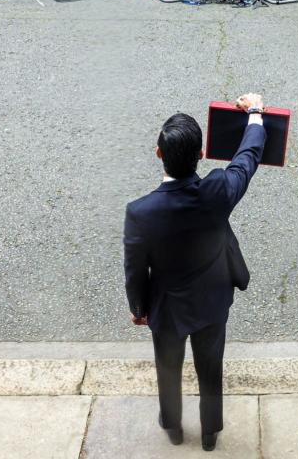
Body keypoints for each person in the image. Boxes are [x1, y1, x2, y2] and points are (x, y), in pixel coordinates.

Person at [124, 94, 267, 453]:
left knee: (167, 368)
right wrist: (255, 114)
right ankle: (209, 433)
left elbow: (135, 269)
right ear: (200, 155)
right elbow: (246, 160)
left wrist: (139, 309)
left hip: (167, 307)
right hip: (212, 300)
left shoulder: (141, 212)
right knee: (211, 368)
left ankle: (172, 427)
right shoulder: (217, 191)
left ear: (158, 154)